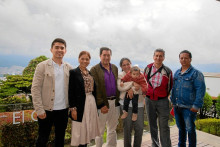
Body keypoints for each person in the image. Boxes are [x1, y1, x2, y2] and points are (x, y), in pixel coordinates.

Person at [31, 38, 73, 147]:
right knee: (42, 139)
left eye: (62, 48)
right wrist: (39, 109)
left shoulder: (69, 68)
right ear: (51, 49)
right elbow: (35, 89)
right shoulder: (42, 66)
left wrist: (72, 108)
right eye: (57, 47)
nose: (59, 50)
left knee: (60, 139)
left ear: (65, 51)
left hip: (63, 110)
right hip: (46, 110)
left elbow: (73, 90)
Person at [170, 50, 206, 147]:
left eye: (186, 58)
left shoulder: (196, 74)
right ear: (179, 59)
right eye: (181, 58)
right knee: (181, 129)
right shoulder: (177, 73)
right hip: (177, 106)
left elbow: (201, 90)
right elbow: (174, 88)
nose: (183, 60)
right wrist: (172, 102)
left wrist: (196, 106)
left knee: (190, 129)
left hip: (189, 107)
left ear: (190, 59)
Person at [68, 51, 100, 147]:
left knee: (88, 129)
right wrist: (73, 108)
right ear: (78, 59)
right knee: (80, 130)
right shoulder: (73, 72)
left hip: (91, 102)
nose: (84, 61)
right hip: (80, 104)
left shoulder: (90, 73)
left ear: (89, 60)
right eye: (82, 58)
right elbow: (71, 91)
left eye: (87, 59)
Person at [90, 47, 120, 147]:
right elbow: (95, 89)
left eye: (108, 55)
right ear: (100, 56)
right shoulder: (94, 69)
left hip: (115, 103)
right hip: (103, 104)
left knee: (112, 129)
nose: (106, 57)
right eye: (104, 55)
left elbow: (119, 84)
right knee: (100, 130)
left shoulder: (115, 68)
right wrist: (101, 104)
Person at [144, 48, 173, 147]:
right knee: (152, 125)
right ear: (153, 57)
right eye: (156, 55)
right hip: (149, 100)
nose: (158, 58)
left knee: (164, 126)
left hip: (162, 101)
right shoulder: (147, 68)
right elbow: (144, 82)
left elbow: (169, 86)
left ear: (163, 58)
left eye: (160, 56)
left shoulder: (167, 71)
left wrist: (163, 95)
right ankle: (154, 144)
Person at [117, 58, 145, 147]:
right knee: (127, 129)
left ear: (131, 64)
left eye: (128, 64)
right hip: (125, 105)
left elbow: (143, 87)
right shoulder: (121, 75)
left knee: (139, 128)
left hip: (139, 104)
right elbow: (120, 87)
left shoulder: (140, 74)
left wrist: (131, 88)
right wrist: (133, 84)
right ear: (121, 66)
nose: (126, 66)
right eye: (124, 65)